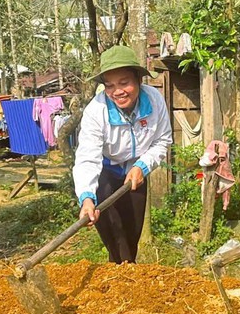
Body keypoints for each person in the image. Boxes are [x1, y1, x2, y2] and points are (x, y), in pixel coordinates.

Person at [73, 45, 172, 263]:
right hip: (105, 174)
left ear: (138, 79)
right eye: (110, 86)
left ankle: (128, 273)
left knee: (132, 232)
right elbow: (87, 158)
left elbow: (163, 140)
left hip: (136, 173)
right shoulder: (96, 111)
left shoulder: (154, 101)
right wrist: (87, 198)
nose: (117, 92)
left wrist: (142, 166)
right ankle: (120, 273)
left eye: (124, 83)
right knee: (113, 234)